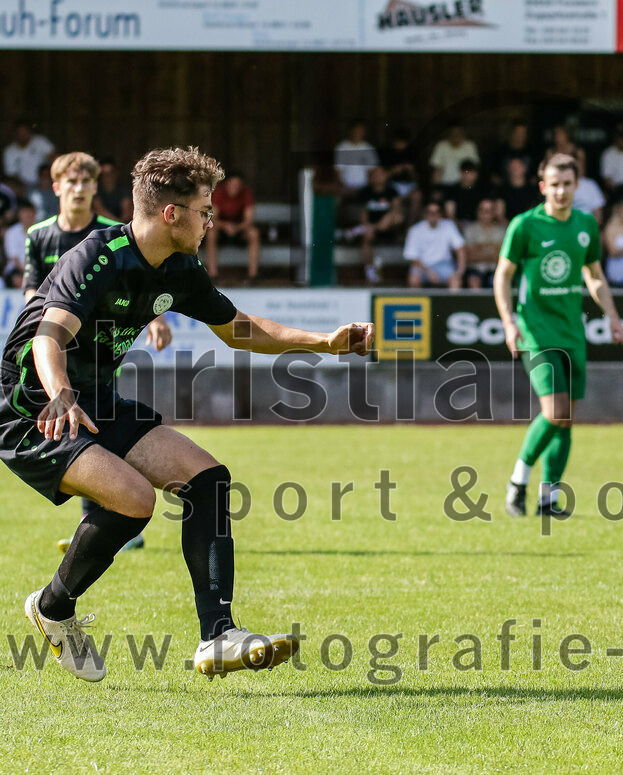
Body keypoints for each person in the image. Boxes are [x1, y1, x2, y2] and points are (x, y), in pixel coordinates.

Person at [3, 146, 374, 682]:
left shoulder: (179, 268)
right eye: (204, 211)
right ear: (171, 213)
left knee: (207, 478)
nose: (210, 222)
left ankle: (218, 636)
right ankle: (54, 607)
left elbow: (239, 329)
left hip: (94, 397)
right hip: (32, 404)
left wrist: (326, 341)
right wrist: (60, 391)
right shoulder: (98, 256)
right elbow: (49, 335)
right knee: (134, 500)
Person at [23, 152, 172, 555]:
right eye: (71, 182)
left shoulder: (111, 232)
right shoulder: (38, 235)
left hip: (100, 350)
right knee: (71, 431)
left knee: (96, 425)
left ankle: (108, 520)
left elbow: (143, 282)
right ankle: (107, 518)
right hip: (57, 346)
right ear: (56, 187)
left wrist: (157, 319)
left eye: (86, 182)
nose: (79, 189)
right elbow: (32, 290)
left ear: (95, 187)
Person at [495, 153, 623, 517]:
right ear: (543, 187)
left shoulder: (585, 224)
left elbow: (594, 274)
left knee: (566, 417)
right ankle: (517, 482)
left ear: (577, 186)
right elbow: (503, 275)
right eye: (554, 184)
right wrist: (508, 322)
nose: (561, 191)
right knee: (555, 411)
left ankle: (548, 499)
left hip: (572, 332)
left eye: (567, 184)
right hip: (535, 332)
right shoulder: (524, 225)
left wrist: (613, 316)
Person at [206, 171, 261, 283]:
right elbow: (212, 218)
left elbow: (249, 220)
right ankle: (212, 274)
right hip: (222, 230)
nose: (235, 188)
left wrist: (236, 227)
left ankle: (253, 275)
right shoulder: (219, 192)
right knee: (211, 233)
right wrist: (225, 226)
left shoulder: (246, 193)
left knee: (254, 233)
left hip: (240, 229)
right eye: (232, 185)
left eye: (237, 185)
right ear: (226, 184)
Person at [404, 202, 466, 289]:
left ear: (440, 214)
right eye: (430, 213)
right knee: (413, 280)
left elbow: (460, 248)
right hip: (422, 266)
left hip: (444, 265)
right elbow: (412, 257)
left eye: (436, 212)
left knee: (455, 280)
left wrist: (460, 271)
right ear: (425, 215)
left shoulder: (448, 225)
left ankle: (453, 299)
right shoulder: (415, 230)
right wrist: (429, 271)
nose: (433, 215)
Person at [357, 166, 404, 280]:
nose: (378, 177)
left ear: (386, 176)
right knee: (367, 236)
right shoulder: (365, 191)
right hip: (371, 228)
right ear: (371, 177)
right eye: (375, 175)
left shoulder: (391, 190)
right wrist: (368, 226)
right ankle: (369, 269)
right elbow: (363, 213)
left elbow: (397, 210)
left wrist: (386, 219)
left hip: (390, 227)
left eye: (381, 174)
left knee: (397, 217)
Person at [463, 198, 505, 289]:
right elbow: (469, 256)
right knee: (473, 281)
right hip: (475, 270)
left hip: (495, 270)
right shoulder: (470, 230)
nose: (485, 214)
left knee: (499, 282)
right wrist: (491, 250)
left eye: (488, 211)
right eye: (483, 210)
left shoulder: (501, 231)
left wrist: (479, 248)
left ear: (493, 213)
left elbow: (501, 256)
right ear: (478, 212)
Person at [3, 120, 55, 194]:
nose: (22, 134)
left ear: (30, 131)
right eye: (20, 132)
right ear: (15, 133)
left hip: (45, 183)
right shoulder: (9, 151)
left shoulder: (41, 142)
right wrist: (22, 186)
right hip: (23, 187)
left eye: (25, 131)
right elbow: (11, 175)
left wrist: (49, 176)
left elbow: (54, 157)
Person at [334, 120, 379, 200]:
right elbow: (338, 170)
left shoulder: (368, 148)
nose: (358, 133)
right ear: (351, 131)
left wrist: (365, 188)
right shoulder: (342, 147)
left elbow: (373, 171)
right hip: (345, 187)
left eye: (361, 130)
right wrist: (344, 187)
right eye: (356, 130)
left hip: (364, 188)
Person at [444, 159, 488, 225]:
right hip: (456, 224)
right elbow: (450, 214)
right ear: (461, 173)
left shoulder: (482, 190)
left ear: (476, 175)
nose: (468, 176)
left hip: (477, 224)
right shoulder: (452, 190)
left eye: (471, 173)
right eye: (466, 172)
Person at [495, 157, 538, 221]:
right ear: (508, 169)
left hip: (528, 224)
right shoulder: (501, 190)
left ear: (524, 168)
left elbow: (534, 212)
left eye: (518, 166)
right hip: (506, 225)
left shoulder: (533, 190)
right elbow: (499, 214)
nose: (515, 169)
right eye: (513, 166)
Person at [570, 150, 606, 225]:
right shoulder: (564, 185)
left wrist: (593, 227)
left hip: (588, 226)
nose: (579, 169)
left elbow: (598, 213)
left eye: (581, 165)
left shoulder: (591, 184)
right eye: (576, 167)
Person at [94, 158, 133, 222]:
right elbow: (99, 210)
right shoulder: (96, 190)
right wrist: (118, 224)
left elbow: (127, 213)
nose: (108, 177)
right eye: (104, 174)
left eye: (111, 173)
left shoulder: (124, 189)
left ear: (116, 173)